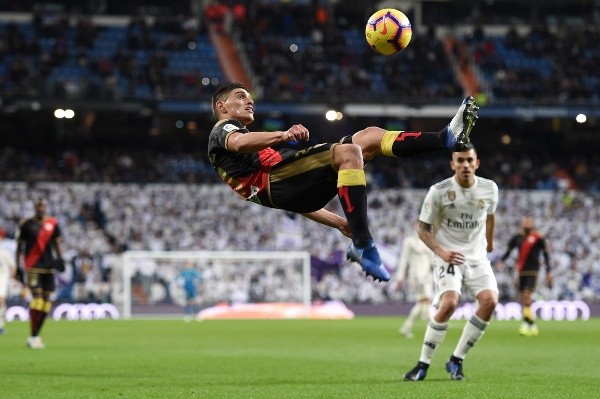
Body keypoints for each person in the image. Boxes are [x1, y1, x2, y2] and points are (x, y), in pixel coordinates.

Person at [208, 82, 479, 282]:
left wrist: (339, 223)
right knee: (350, 152)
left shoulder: (257, 154)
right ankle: (364, 242)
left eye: (249, 97)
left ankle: (444, 139)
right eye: (241, 97)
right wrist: (283, 134)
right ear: (222, 107)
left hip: (287, 189)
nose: (249, 101)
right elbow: (240, 143)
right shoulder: (223, 130)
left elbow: (296, 200)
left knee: (370, 136)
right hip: (277, 184)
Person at [403, 143, 499, 381]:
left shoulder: (490, 188)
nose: (465, 165)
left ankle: (456, 360)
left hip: (476, 256)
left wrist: (490, 242)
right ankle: (422, 364)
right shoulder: (439, 191)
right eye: (460, 161)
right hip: (449, 256)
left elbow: (490, 216)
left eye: (469, 160)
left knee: (490, 301)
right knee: (449, 303)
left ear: (477, 163)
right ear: (453, 164)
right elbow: (422, 229)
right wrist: (441, 251)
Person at [15, 198, 66, 349]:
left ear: (46, 207)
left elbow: (56, 243)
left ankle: (35, 335)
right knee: (37, 300)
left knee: (46, 304)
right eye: (38, 206)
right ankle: (34, 335)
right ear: (34, 207)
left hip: (49, 266)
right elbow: (20, 246)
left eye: (43, 206)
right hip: (33, 266)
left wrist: (61, 259)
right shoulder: (26, 224)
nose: (41, 208)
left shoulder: (52, 223)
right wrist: (18, 266)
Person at [497, 216, 552, 337]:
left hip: (533, 271)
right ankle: (531, 325)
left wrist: (549, 271)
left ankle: (527, 324)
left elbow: (546, 254)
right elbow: (509, 250)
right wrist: (501, 261)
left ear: (532, 224)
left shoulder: (538, 237)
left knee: (527, 296)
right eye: (525, 222)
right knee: (524, 298)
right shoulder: (517, 238)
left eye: (529, 222)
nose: (527, 224)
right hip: (521, 271)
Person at [395, 221, 434, 339]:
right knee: (426, 300)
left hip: (427, 275)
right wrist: (400, 277)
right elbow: (403, 260)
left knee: (423, 302)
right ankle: (431, 327)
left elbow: (432, 260)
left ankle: (406, 327)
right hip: (416, 276)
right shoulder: (410, 241)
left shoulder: (429, 241)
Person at [0, 244, 16, 335]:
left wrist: (13, 279)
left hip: (2, 280)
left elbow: (13, 266)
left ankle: (0, 326)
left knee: (1, 301)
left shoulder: (5, 253)